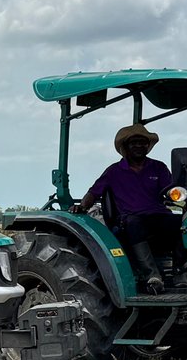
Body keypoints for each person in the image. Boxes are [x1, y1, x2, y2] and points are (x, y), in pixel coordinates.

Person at [70, 123, 178, 294]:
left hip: (158, 215)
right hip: (130, 218)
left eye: (142, 142)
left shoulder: (158, 167)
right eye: (134, 143)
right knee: (134, 224)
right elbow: (93, 192)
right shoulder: (114, 171)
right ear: (125, 147)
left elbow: (171, 191)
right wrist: (81, 206)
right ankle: (152, 277)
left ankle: (181, 275)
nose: (139, 146)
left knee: (183, 223)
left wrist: (179, 193)